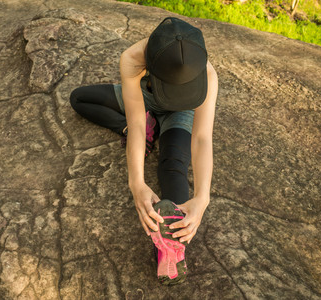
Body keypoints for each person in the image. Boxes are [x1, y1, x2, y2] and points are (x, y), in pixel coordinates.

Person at [70, 17, 218, 285]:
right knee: (79, 98)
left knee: (172, 166)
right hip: (146, 99)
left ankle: (170, 244)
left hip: (180, 113)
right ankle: (149, 130)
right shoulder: (133, 59)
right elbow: (136, 122)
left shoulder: (206, 72)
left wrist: (202, 198)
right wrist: (136, 183)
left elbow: (202, 137)